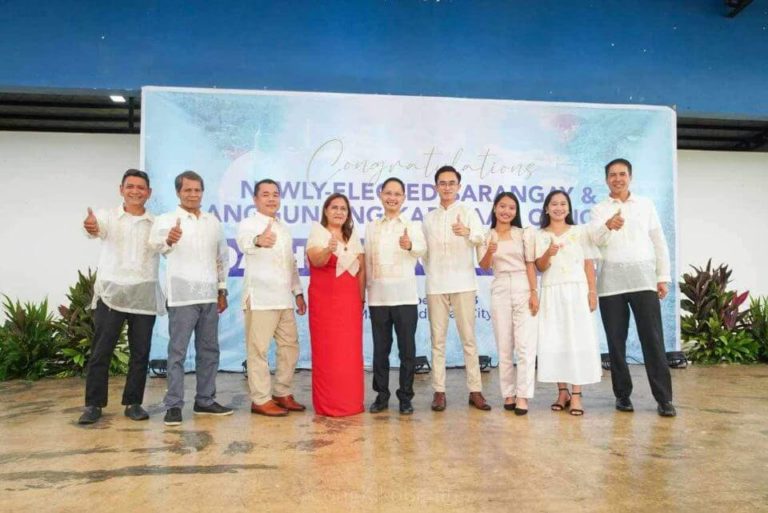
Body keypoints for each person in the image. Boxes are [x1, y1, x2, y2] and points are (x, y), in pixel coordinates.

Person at [588, 158, 676, 417]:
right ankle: (622, 396)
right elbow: (593, 240)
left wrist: (663, 277)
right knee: (616, 343)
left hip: (643, 281)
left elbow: (659, 241)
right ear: (606, 180)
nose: (618, 179)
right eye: (613, 175)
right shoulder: (599, 209)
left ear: (630, 177)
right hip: (610, 285)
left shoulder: (645, 205)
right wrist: (608, 226)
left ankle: (664, 399)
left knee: (653, 340)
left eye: (622, 174)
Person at [77, 169, 164, 425]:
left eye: (141, 187)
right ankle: (93, 405)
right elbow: (94, 229)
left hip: (143, 296)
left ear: (149, 193)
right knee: (101, 352)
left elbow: (165, 246)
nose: (135, 191)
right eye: (130, 186)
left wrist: (170, 239)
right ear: (121, 189)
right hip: (112, 295)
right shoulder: (106, 217)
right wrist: (90, 226)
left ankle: (133, 403)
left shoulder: (156, 223)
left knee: (140, 353)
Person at [149, 170, 233, 426]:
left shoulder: (212, 222)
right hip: (182, 297)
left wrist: (221, 289)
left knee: (209, 351)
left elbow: (221, 258)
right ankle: (173, 405)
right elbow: (156, 246)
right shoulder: (166, 219)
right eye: (188, 190)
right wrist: (169, 240)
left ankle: (205, 401)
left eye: (197, 190)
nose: (193, 194)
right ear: (178, 192)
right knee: (177, 353)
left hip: (208, 296)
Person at [422, 165, 490, 412]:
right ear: (436, 187)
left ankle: (475, 391)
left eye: (452, 183)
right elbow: (424, 255)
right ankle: (439, 392)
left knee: (468, 340)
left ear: (459, 187)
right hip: (436, 285)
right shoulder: (429, 218)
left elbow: (481, 239)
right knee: (437, 341)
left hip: (464, 284)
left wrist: (467, 232)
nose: (447, 187)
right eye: (442, 183)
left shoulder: (468, 212)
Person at [236, 179, 307, 417]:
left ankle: (282, 392)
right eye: (265, 194)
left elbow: (291, 264)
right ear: (255, 199)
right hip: (260, 298)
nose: (271, 199)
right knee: (258, 351)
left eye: (275, 194)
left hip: (284, 299)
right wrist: (258, 240)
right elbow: (245, 243)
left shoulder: (284, 229)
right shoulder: (249, 224)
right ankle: (260, 399)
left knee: (290, 348)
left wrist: (298, 293)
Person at [534, 190, 602, 416]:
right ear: (546, 208)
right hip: (552, 292)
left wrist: (592, 291)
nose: (559, 208)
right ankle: (561, 392)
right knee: (556, 342)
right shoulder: (539, 235)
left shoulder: (579, 232)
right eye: (554, 204)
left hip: (576, 291)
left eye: (563, 204)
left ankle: (576, 395)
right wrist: (548, 253)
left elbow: (588, 264)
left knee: (577, 340)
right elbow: (540, 267)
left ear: (569, 208)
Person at [365, 177, 426, 415]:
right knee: (380, 350)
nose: (392, 197)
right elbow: (368, 260)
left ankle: (405, 397)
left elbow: (422, 250)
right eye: (388, 193)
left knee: (407, 351)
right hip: (378, 298)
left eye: (397, 194)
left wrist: (410, 245)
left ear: (404, 198)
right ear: (381, 195)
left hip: (405, 297)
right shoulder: (372, 226)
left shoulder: (412, 225)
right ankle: (381, 396)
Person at [478, 192, 538, 415]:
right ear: (494, 209)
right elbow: (484, 266)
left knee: (524, 345)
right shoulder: (487, 235)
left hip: (523, 283)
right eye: (502, 206)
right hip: (500, 286)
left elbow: (530, 264)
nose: (506, 211)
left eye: (511, 208)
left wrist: (534, 292)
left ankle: (523, 396)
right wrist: (489, 251)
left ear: (516, 211)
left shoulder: (524, 234)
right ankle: (508, 394)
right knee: (504, 345)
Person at [306, 193, 365, 416]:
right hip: (326, 304)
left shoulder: (352, 237)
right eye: (334, 207)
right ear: (326, 211)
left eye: (343, 208)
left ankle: (351, 402)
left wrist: (361, 299)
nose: (339, 212)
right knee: (329, 354)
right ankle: (330, 405)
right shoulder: (318, 234)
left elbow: (361, 270)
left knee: (349, 354)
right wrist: (328, 249)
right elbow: (316, 260)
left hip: (349, 304)